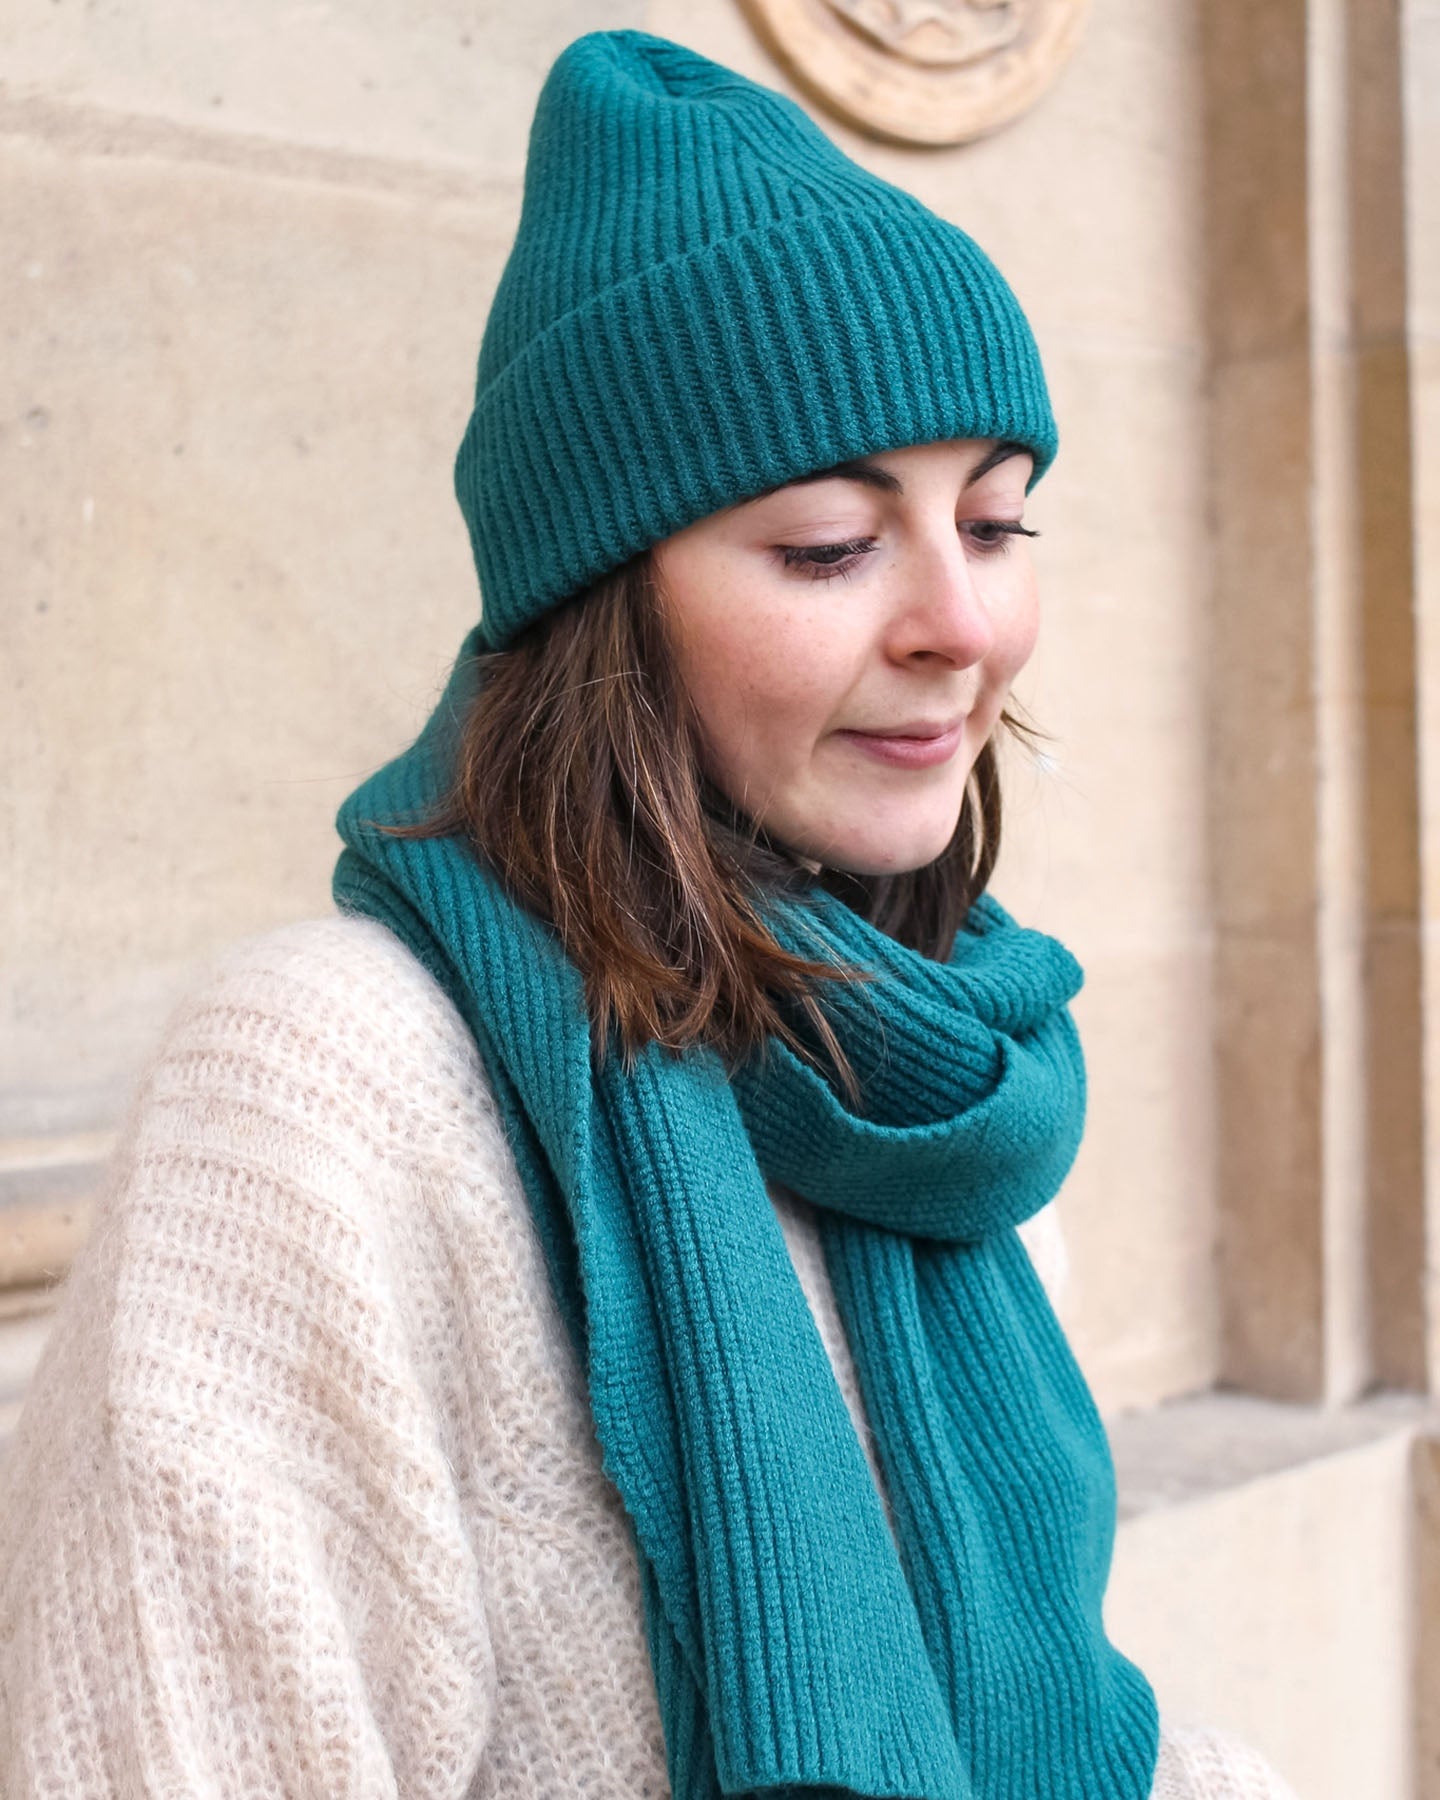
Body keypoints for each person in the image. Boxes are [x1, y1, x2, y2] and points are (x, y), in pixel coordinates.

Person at [0, 27, 1301, 1800]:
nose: (962, 625)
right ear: (606, 603)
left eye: (995, 523)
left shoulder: (931, 1084)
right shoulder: (327, 1095)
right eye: (832, 547)